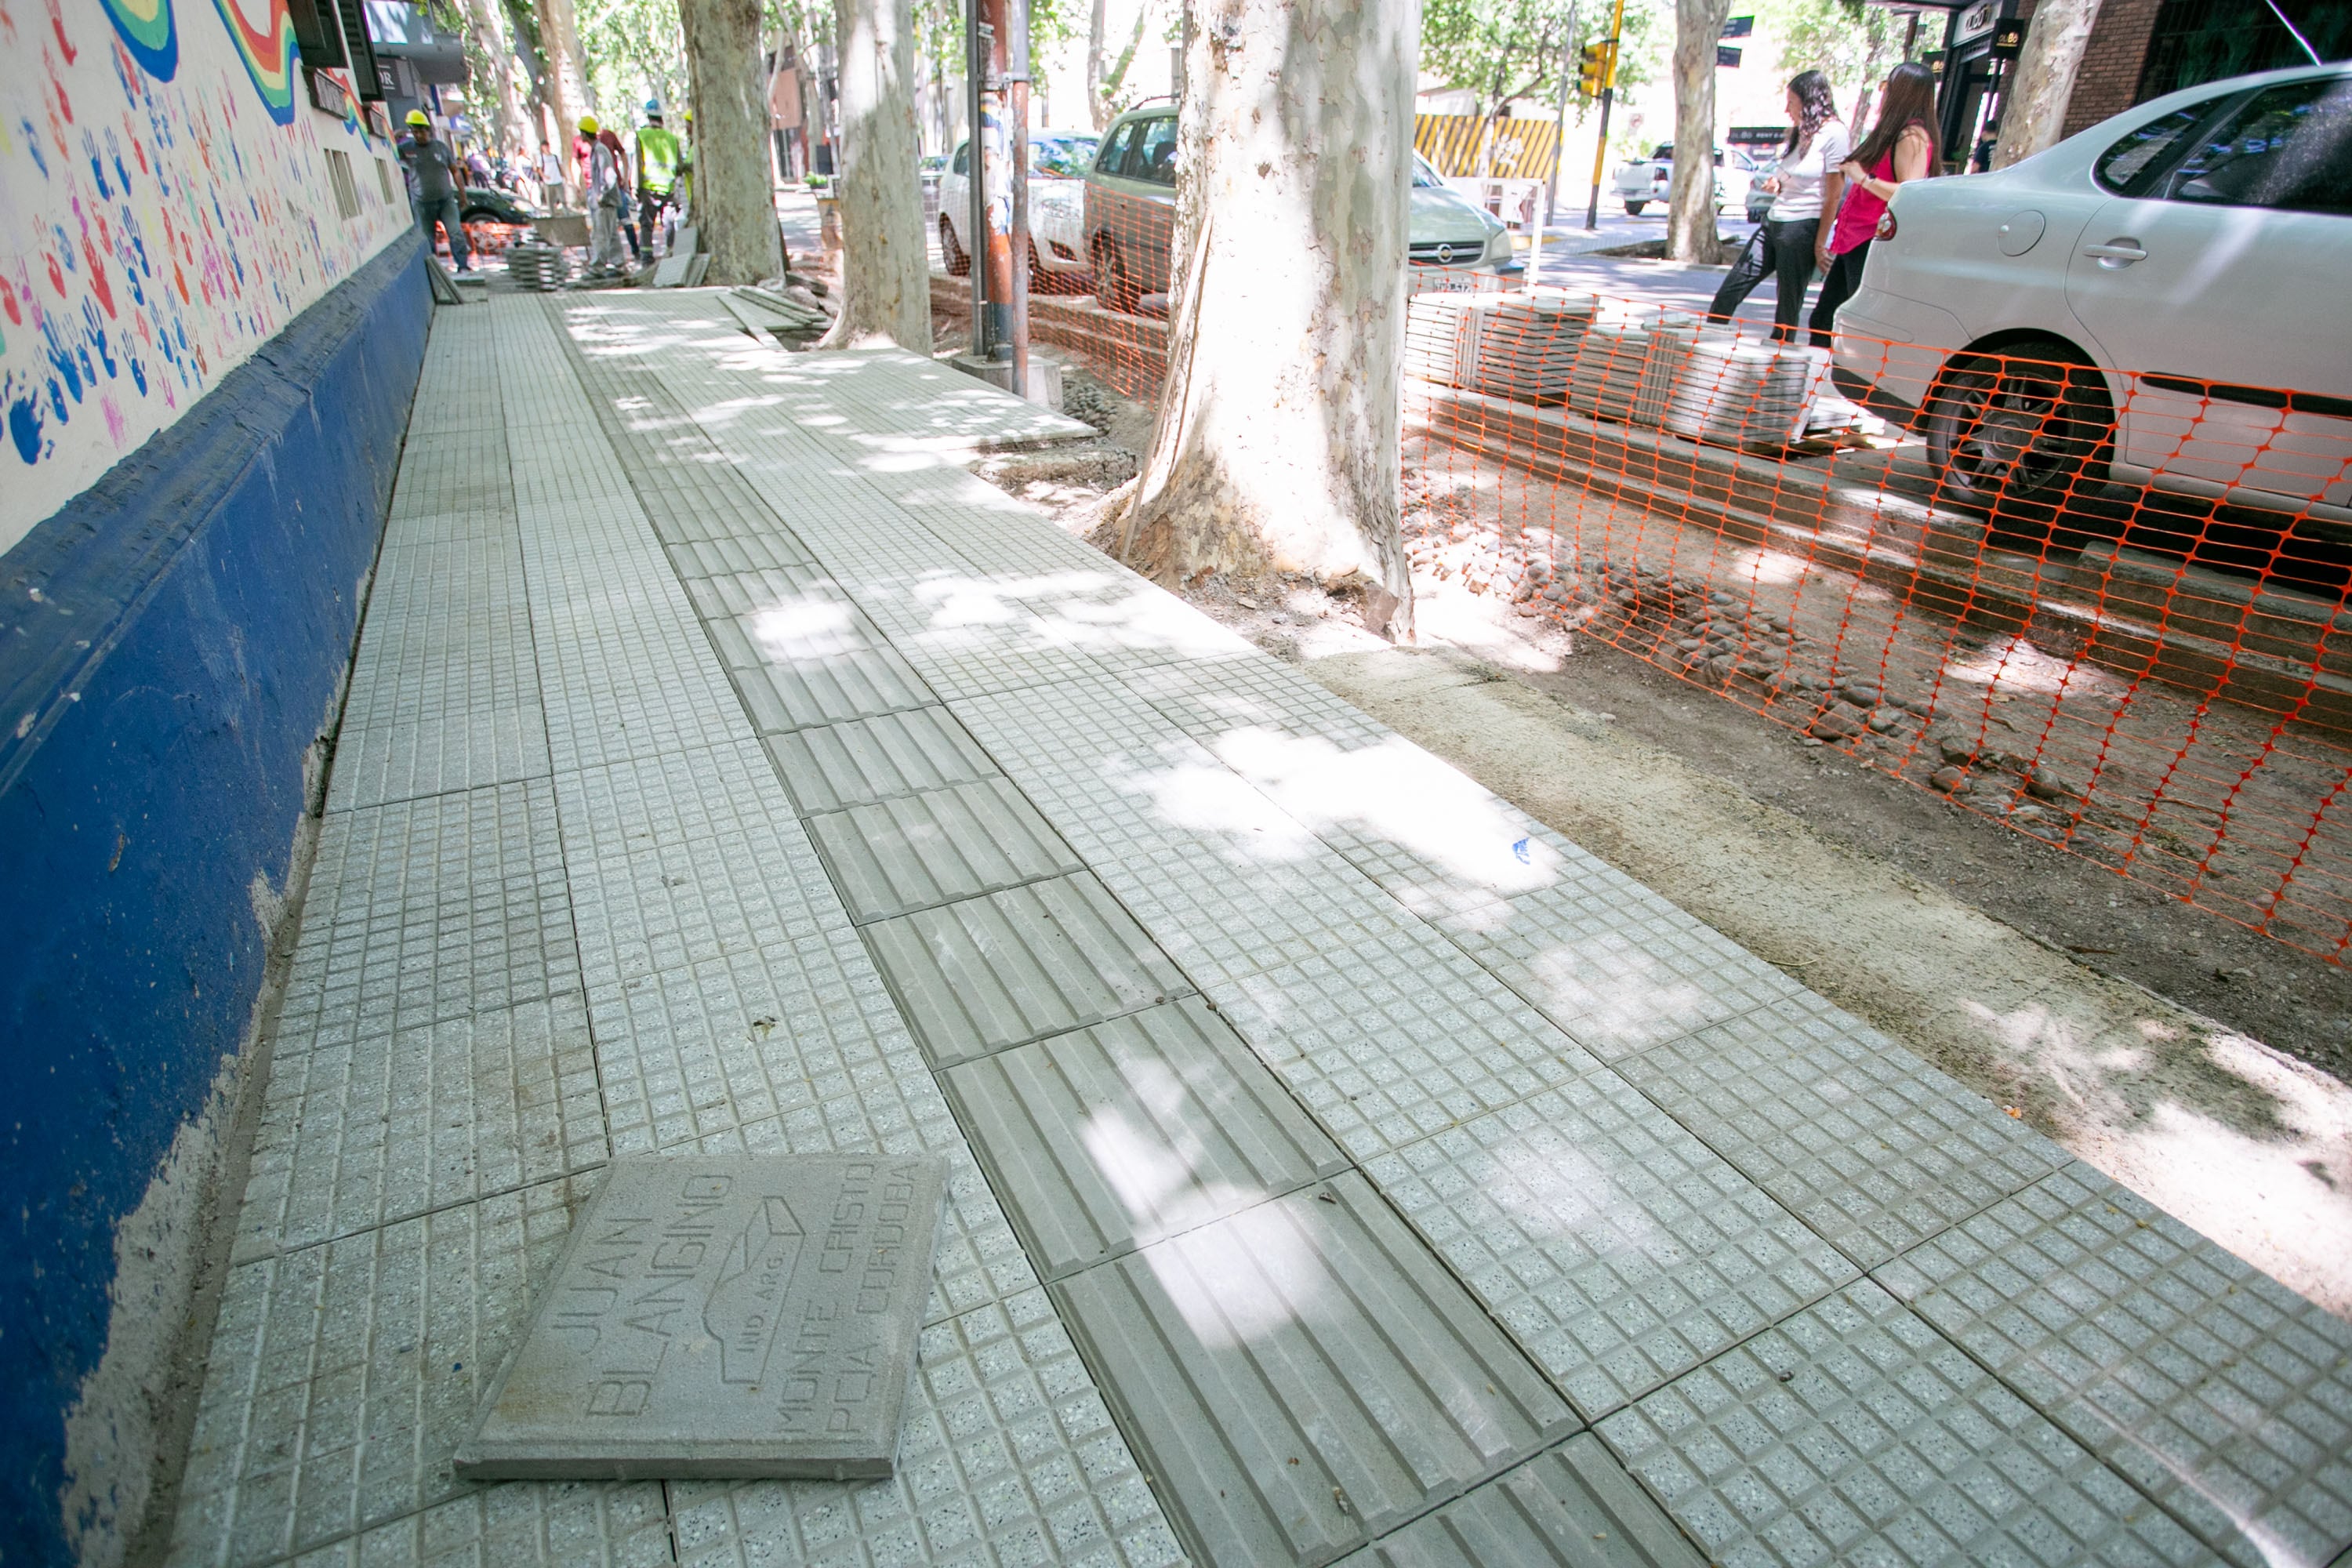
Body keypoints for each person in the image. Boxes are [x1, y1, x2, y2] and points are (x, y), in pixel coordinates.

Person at [1707, 71, 1846, 343]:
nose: (1787, 109)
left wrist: (1820, 244)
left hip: (1802, 228)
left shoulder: (1835, 134)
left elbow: (1834, 193)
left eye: (1792, 102)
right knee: (1732, 288)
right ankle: (1708, 342)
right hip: (1774, 221)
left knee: (1787, 307)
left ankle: (1778, 365)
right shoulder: (1803, 133)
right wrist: (1778, 184)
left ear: (1810, 102)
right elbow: (1796, 174)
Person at [1810, 63, 1937, 349]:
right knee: (1825, 319)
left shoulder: (1912, 137)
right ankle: (1819, 383)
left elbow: (1910, 192)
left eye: (1888, 87)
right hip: (1856, 239)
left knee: (1851, 323)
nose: (1883, 93)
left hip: (1872, 239)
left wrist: (1863, 178)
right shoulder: (1896, 133)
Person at [399, 110, 474, 272]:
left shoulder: (440, 148)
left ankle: (463, 265)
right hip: (422, 203)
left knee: (455, 232)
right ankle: (434, 272)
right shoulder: (407, 149)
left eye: (421, 131)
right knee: (427, 239)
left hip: (445, 200)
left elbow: (455, 171)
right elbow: (389, 151)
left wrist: (462, 195)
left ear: (428, 131)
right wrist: (395, 136)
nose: (419, 135)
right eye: (415, 131)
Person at [580, 114, 626, 275]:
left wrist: (602, 196)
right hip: (605, 201)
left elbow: (609, 176)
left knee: (600, 234)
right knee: (612, 234)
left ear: (585, 133)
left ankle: (597, 267)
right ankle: (619, 264)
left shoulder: (600, 150)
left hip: (605, 202)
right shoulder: (597, 150)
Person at [635, 100, 682, 256]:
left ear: (648, 117)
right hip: (668, 190)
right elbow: (679, 167)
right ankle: (671, 256)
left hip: (649, 189)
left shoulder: (642, 135)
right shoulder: (672, 139)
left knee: (647, 227)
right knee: (669, 226)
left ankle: (647, 258)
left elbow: (638, 164)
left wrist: (636, 188)